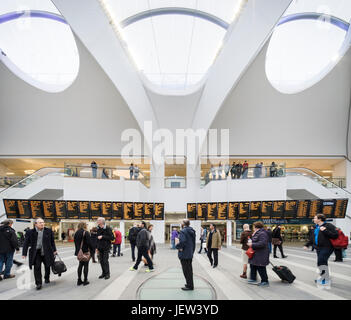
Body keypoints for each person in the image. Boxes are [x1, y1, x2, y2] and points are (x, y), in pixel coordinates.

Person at [22, 218, 57, 290]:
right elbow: (25, 243)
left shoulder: (48, 231)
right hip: (36, 253)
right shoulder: (30, 232)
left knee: (47, 265)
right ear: (35, 224)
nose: (42, 224)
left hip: (46, 251)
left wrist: (54, 250)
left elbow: (52, 242)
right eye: (40, 223)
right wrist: (24, 253)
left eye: (43, 222)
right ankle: (38, 283)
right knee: (37, 267)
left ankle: (47, 278)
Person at [304, 214, 338, 287]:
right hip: (318, 248)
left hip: (327, 247)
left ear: (319, 219)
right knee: (321, 263)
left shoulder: (328, 225)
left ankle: (325, 279)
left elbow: (335, 235)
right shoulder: (316, 227)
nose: (313, 219)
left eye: (315, 218)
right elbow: (313, 238)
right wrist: (307, 244)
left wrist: (325, 230)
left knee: (321, 262)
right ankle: (324, 278)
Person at [247, 221, 270, 287]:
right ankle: (253, 278)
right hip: (256, 253)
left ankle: (265, 281)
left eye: (253, 227)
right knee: (254, 265)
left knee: (261, 267)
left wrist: (252, 244)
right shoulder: (257, 233)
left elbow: (263, 243)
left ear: (256, 227)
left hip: (261, 254)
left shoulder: (262, 233)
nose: (253, 228)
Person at [175, 219, 196, 291]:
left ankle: (189, 286)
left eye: (181, 222)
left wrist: (177, 246)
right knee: (189, 270)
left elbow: (183, 241)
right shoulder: (192, 231)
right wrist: (192, 251)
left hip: (184, 254)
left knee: (186, 270)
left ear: (183, 224)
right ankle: (190, 284)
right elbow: (193, 243)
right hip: (189, 253)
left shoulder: (183, 231)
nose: (181, 223)